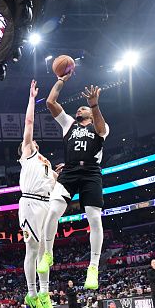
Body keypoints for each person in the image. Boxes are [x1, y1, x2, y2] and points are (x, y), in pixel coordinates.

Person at [38, 74, 110, 290]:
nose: (79, 110)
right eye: (78, 108)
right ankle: (48, 254)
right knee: (52, 213)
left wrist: (94, 105)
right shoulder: (68, 123)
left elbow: (100, 130)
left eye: (83, 109)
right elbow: (51, 102)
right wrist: (60, 81)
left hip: (90, 172)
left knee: (94, 219)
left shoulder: (101, 124)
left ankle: (93, 267)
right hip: (69, 171)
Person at [18, 79, 59, 308]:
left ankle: (42, 294)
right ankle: (34, 293)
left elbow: (55, 184)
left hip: (46, 204)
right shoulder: (28, 153)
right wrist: (32, 99)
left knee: (43, 251)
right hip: (31, 203)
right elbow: (29, 122)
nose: (33, 140)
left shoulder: (46, 161)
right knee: (36, 249)